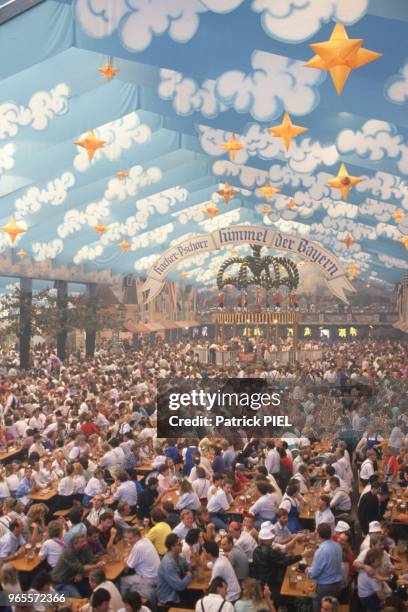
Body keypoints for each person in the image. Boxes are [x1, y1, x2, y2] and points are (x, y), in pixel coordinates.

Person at [251, 526, 301, 599]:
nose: (272, 539)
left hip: (261, 582)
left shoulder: (256, 550)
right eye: (271, 538)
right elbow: (284, 562)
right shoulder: (270, 552)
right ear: (266, 540)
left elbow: (272, 561)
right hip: (271, 583)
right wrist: (301, 556)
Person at [51, 533, 105, 597]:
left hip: (74, 579)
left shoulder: (84, 547)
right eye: (82, 542)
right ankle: (56, 594)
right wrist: (97, 566)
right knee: (77, 597)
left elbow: (91, 560)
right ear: (75, 544)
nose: (85, 543)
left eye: (84, 541)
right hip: (62, 582)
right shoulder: (68, 552)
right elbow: (82, 568)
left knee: (93, 590)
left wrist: (80, 573)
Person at [308, 523, 343, 612]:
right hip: (338, 585)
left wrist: (307, 570)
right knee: (332, 608)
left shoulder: (321, 551)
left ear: (318, 535)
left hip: (325, 587)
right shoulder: (338, 546)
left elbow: (314, 573)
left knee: (320, 608)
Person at [121, 527, 160, 603]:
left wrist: (124, 559)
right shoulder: (146, 540)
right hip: (157, 575)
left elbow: (128, 566)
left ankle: (124, 603)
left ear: (137, 537)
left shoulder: (138, 547)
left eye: (130, 538)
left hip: (149, 578)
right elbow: (133, 553)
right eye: (127, 538)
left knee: (123, 581)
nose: (129, 541)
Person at [157, 533, 192, 605]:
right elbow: (179, 586)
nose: (182, 545)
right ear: (172, 547)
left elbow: (187, 567)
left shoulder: (178, 557)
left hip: (177, 592)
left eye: (181, 543)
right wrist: (188, 576)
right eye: (179, 544)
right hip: (169, 598)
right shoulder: (168, 564)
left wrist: (192, 566)